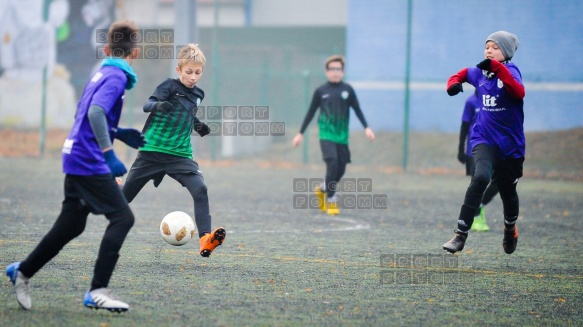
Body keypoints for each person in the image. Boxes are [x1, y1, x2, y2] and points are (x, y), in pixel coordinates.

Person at [6, 20, 144, 312]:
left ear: (106, 49)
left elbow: (83, 112)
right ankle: (98, 290)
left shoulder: (102, 71)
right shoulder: (117, 76)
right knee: (123, 218)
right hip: (88, 159)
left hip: (74, 154)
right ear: (136, 53)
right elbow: (94, 112)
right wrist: (109, 152)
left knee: (71, 224)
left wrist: (119, 133)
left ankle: (24, 271)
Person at [121, 44, 226, 257]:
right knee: (123, 199)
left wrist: (198, 125)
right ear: (179, 70)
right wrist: (159, 105)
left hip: (180, 154)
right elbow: (147, 105)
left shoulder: (198, 94)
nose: (193, 77)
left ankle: (206, 239)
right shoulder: (168, 86)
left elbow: (186, 113)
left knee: (200, 190)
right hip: (152, 151)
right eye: (188, 72)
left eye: (198, 72)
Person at [443, 31, 525, 254]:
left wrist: (498, 69)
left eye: (495, 47)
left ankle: (509, 229)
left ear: (505, 52)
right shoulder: (479, 73)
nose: (488, 50)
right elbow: (460, 74)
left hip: (511, 145)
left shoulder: (510, 71)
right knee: (480, 177)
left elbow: (518, 92)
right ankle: (460, 235)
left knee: (508, 192)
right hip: (484, 139)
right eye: (486, 46)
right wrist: (453, 83)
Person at [292, 55, 375, 215]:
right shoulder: (320, 91)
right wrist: (300, 133)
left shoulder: (348, 90)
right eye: (332, 69)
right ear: (326, 71)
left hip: (342, 135)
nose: (335, 72)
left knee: (341, 168)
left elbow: (357, 110)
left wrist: (367, 127)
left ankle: (323, 189)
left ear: (342, 72)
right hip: (326, 134)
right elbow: (310, 112)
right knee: (332, 162)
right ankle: (331, 199)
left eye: (338, 69)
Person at [457, 91, 499, 232]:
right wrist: (460, 149)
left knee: (500, 180)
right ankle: (476, 218)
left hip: (493, 149)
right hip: (473, 150)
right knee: (478, 182)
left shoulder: (494, 99)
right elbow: (464, 125)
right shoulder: (471, 102)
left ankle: (479, 206)